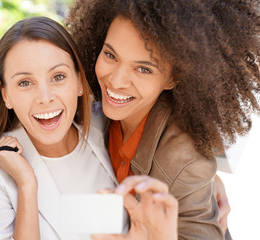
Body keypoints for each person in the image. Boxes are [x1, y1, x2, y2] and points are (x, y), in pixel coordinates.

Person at [0, 16, 178, 239]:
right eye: (25, 83)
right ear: (5, 94)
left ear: (79, 81)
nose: (45, 98)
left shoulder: (101, 128)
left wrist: (208, 178)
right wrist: (26, 185)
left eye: (58, 77)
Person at [66, 0, 260, 239]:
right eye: (110, 55)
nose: (116, 80)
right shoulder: (91, 100)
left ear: (172, 78)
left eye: (144, 69)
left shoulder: (187, 162)